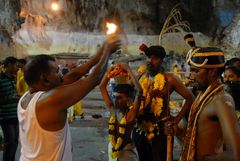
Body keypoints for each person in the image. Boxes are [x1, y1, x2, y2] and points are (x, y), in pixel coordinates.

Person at [17, 39, 121, 161]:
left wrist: (98, 55)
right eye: (57, 71)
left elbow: (72, 76)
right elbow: (94, 79)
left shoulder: (26, 97)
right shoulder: (49, 101)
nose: (61, 74)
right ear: (44, 79)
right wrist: (107, 52)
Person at [133, 44, 194, 161]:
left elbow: (190, 98)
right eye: (149, 57)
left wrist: (176, 120)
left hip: (160, 131)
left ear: (161, 61)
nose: (151, 61)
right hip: (140, 128)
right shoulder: (141, 77)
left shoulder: (169, 79)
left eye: (155, 58)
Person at [180, 47, 240, 161]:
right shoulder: (202, 95)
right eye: (191, 70)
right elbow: (198, 138)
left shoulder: (221, 100)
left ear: (212, 72)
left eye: (196, 71)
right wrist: (177, 131)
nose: (191, 76)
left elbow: (235, 155)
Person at [100, 63, 142, 161]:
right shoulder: (113, 110)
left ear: (128, 100)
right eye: (114, 97)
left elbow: (139, 92)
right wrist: (110, 70)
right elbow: (102, 86)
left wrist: (128, 69)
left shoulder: (130, 115)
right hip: (113, 149)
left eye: (119, 98)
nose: (115, 100)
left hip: (126, 153)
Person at [0, 56, 20, 161]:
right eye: (16, 65)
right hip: (6, 116)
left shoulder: (12, 78)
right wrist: (10, 99)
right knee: (10, 142)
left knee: (15, 141)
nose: (18, 68)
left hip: (15, 114)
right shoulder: (0, 79)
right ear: (9, 65)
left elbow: (12, 95)